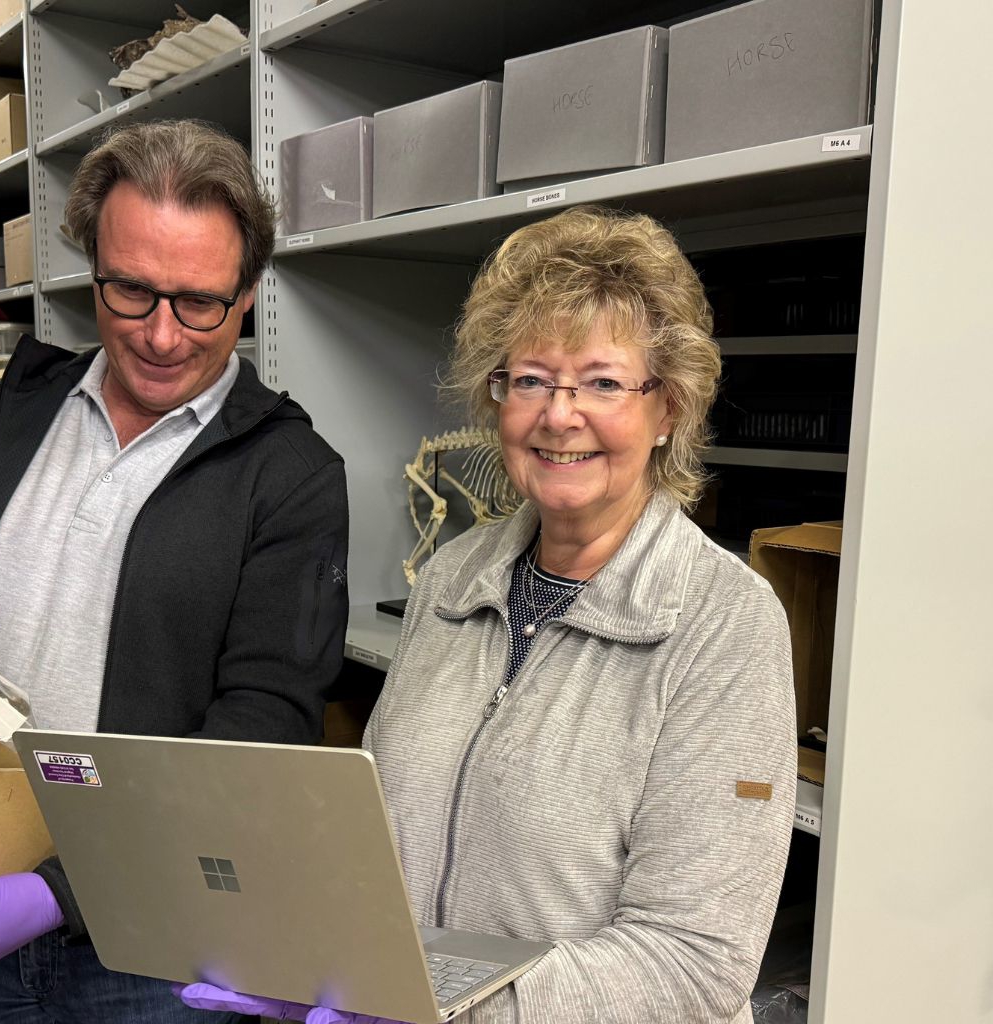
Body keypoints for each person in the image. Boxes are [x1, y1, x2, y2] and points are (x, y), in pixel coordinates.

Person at [179, 206, 796, 1024]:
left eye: (604, 382)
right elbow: (381, 842)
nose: (558, 415)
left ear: (670, 408)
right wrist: (310, 950)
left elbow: (693, 966)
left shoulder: (724, 623)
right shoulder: (452, 579)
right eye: (530, 379)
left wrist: (444, 1007)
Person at [0, 118, 351, 1024]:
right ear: (92, 272)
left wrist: (66, 890)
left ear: (247, 295)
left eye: (200, 302)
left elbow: (263, 730)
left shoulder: (290, 476)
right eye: (131, 291)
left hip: (156, 951)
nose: (163, 336)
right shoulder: (11, 411)